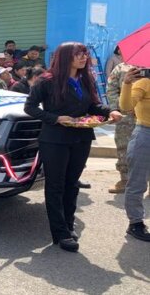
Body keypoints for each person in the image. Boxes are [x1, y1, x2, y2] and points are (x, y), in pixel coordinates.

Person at [24, 42, 122, 252]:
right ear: (65, 56)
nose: (83, 58)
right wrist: (55, 118)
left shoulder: (86, 79)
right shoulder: (47, 80)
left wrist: (109, 112)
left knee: (72, 183)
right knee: (56, 185)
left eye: (84, 54)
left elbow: (92, 105)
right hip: (54, 139)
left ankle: (68, 224)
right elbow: (30, 107)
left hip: (81, 138)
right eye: (78, 54)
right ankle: (60, 233)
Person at [119, 66, 150, 241]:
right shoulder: (144, 82)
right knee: (138, 183)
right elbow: (126, 106)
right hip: (145, 135)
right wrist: (127, 83)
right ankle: (136, 223)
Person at [106, 62, 138, 194]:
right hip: (127, 116)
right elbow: (111, 88)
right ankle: (125, 179)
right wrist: (115, 108)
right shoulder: (122, 67)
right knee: (124, 147)